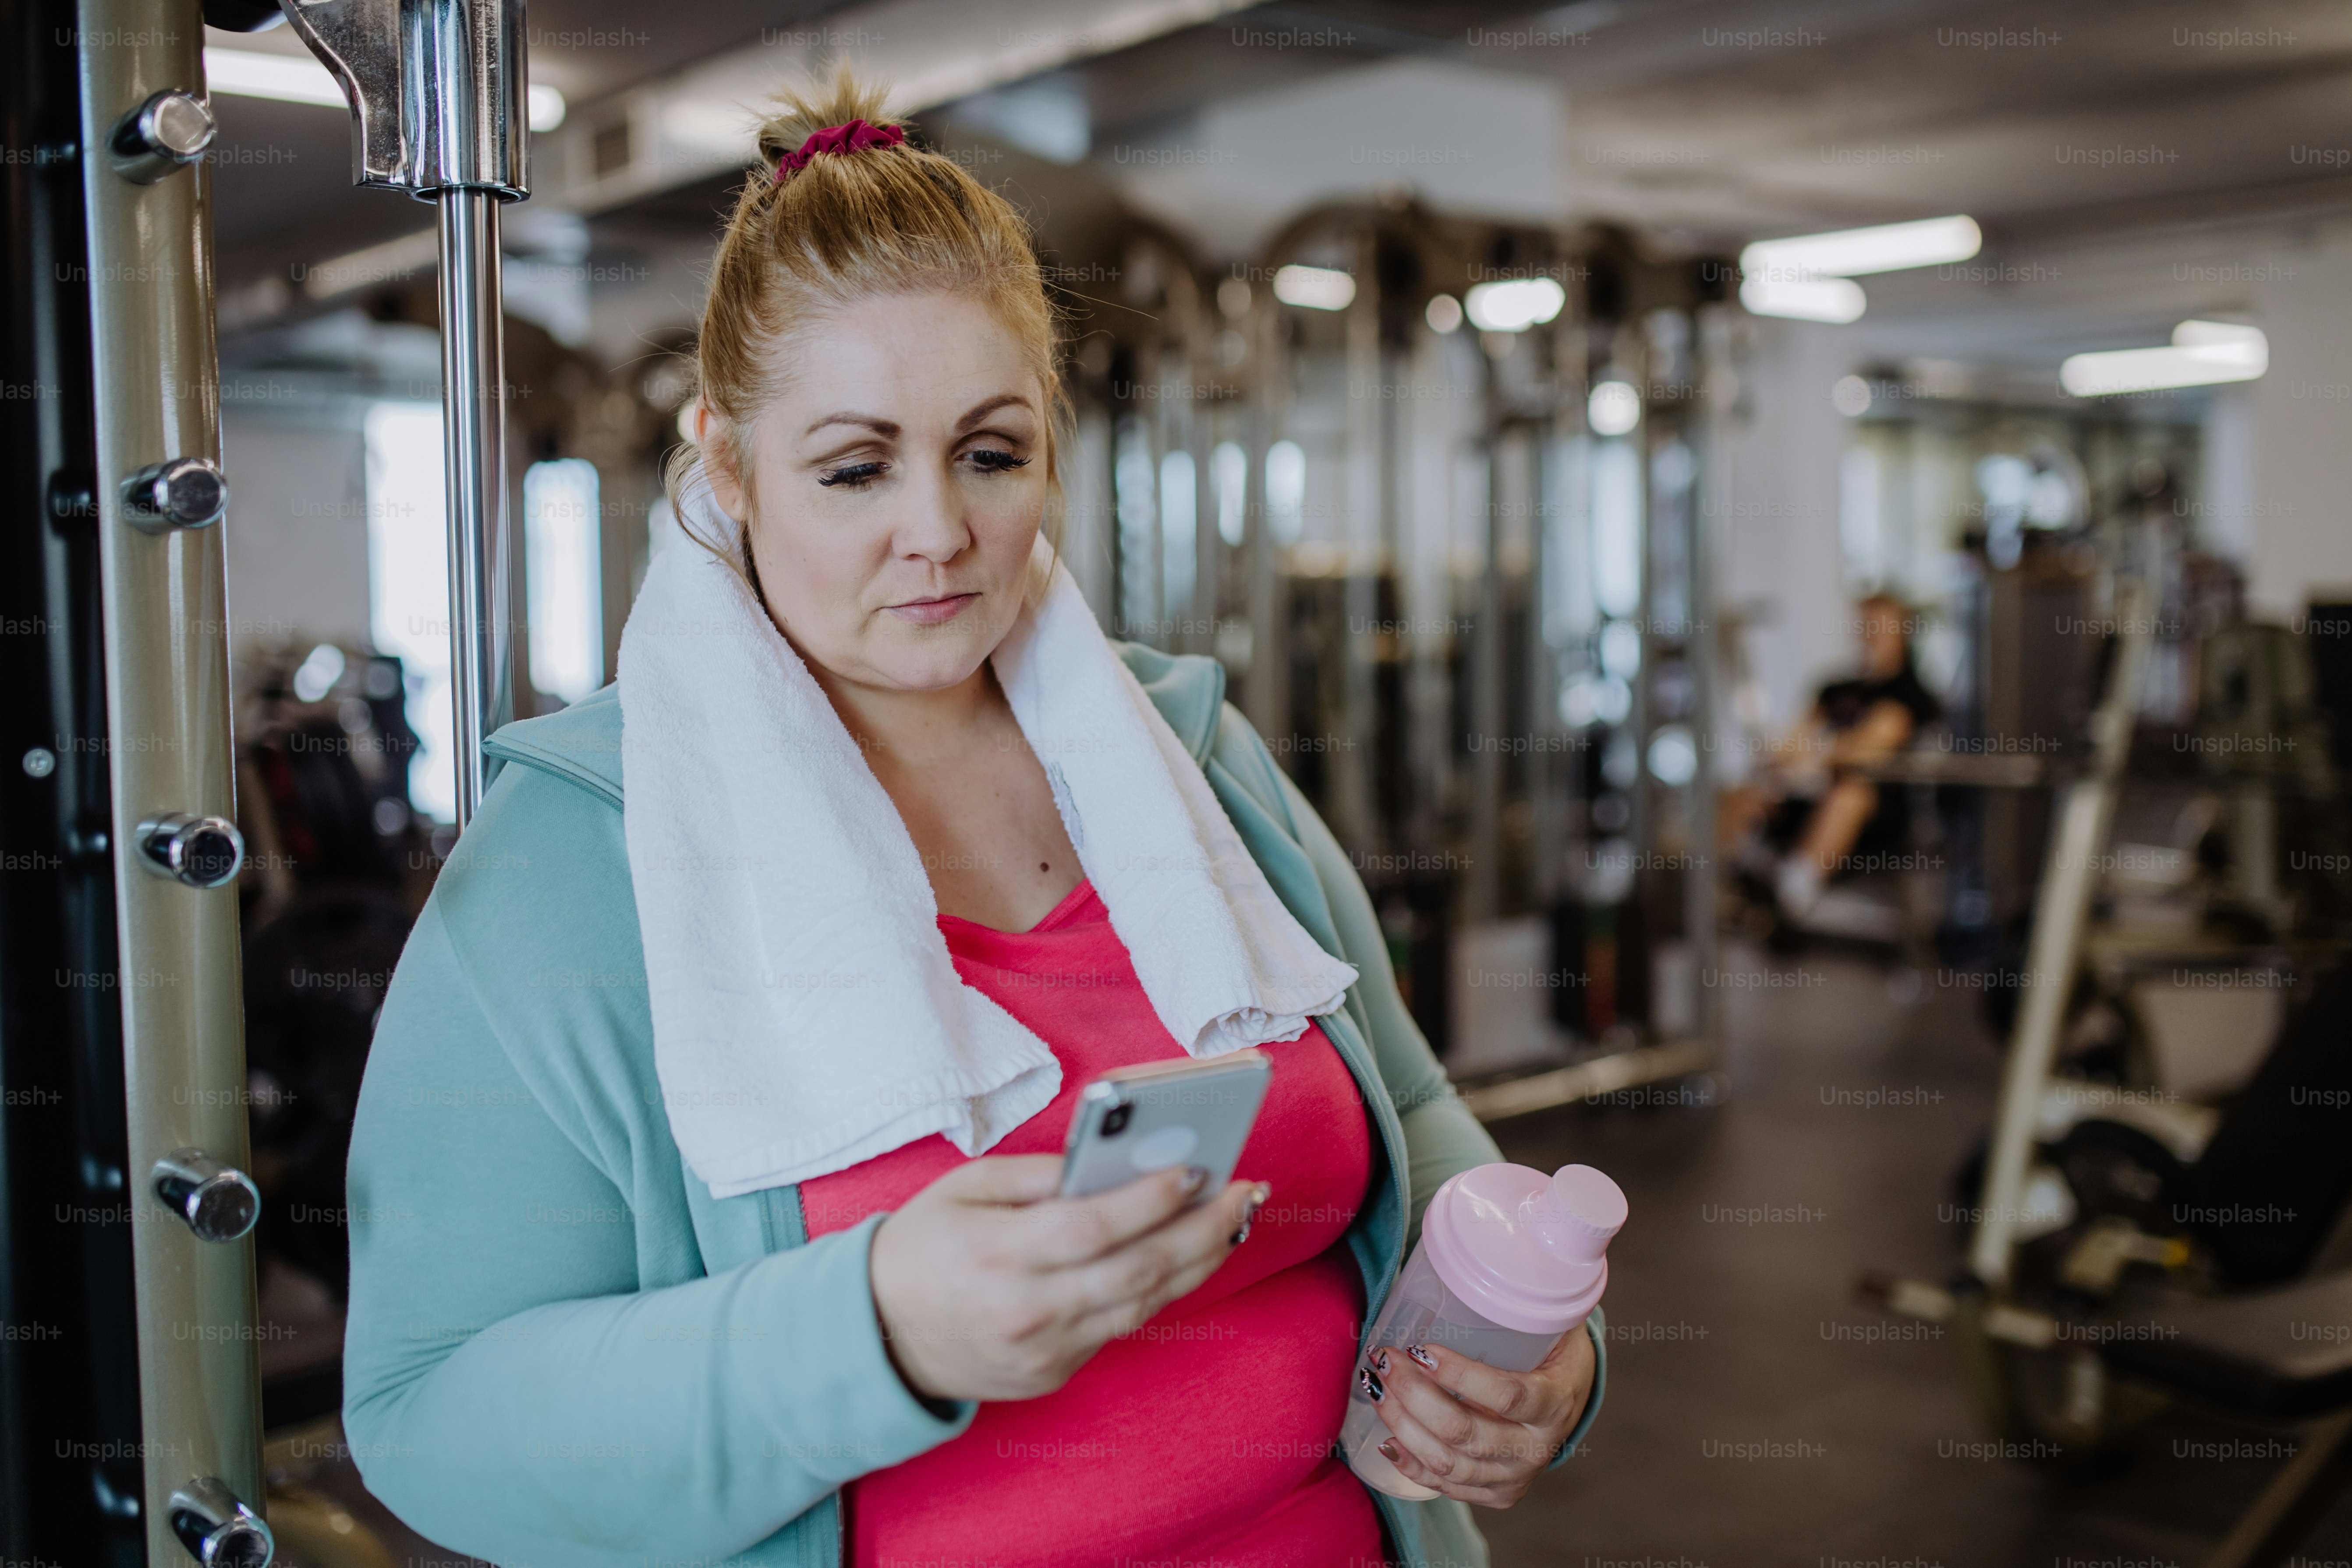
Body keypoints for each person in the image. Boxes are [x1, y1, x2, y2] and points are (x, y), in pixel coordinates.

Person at [339, 74, 1605, 1568]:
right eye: (855, 466)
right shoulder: (576, 863)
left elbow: (1405, 1113)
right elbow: (433, 1417)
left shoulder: (1189, 753)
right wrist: (872, 1324)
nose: (935, 529)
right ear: (730, 465)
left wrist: (1534, 1359)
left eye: (989, 454)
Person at [1721, 592, 1941, 923]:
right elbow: (1790, 743)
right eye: (1867, 624)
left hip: (1875, 811)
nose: (1871, 632)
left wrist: (1814, 757)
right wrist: (1788, 762)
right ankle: (1726, 885)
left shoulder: (1910, 693)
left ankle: (1789, 900)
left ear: (1903, 630)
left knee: (1849, 792)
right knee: (1740, 791)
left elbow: (1867, 749)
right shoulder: (1834, 687)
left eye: (1881, 624)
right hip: (1811, 791)